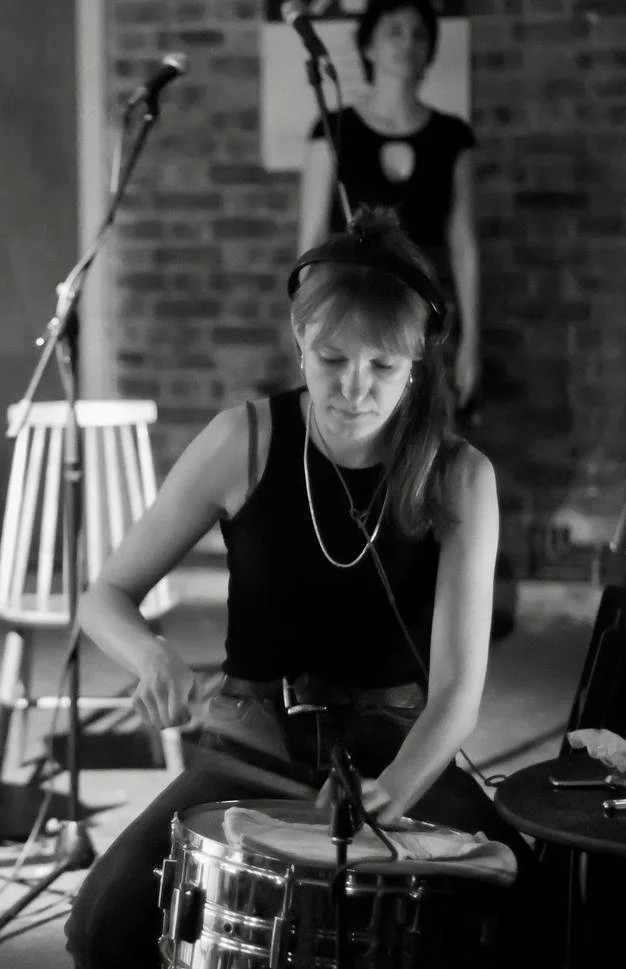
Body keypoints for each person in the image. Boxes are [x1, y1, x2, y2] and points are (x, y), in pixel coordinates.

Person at [64, 206, 536, 969]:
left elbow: (456, 693)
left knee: (525, 912)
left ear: (419, 359)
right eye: (331, 358)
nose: (354, 388)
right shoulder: (243, 439)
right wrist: (151, 656)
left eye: (383, 366)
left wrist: (392, 791)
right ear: (299, 339)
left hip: (400, 747)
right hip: (251, 744)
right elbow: (106, 593)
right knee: (106, 925)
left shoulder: (460, 475)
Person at [298, 0, 479, 413]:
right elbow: (311, 236)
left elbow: (464, 243)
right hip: (348, 309)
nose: (407, 42)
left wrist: (471, 339)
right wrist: (306, 326)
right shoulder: (333, 129)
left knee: (429, 425)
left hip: (426, 311)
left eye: (419, 34)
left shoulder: (453, 136)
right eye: (394, 31)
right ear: (368, 46)